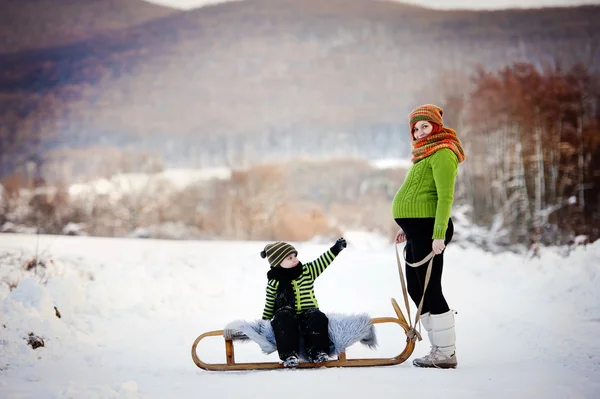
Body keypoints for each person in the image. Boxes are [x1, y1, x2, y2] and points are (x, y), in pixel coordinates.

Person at [392, 104, 466, 369]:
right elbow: (420, 196)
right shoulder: (424, 155)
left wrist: (438, 236)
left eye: (425, 126)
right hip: (418, 231)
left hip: (430, 231)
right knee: (416, 289)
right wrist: (407, 228)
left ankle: (446, 353)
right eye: (415, 128)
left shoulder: (444, 152)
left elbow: (445, 197)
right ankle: (438, 349)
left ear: (436, 126)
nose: (420, 132)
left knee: (431, 289)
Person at [260, 238, 347, 367]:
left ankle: (318, 352)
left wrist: (335, 249)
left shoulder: (307, 271)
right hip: (287, 313)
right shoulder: (274, 281)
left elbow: (322, 261)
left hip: (308, 312)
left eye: (295, 256)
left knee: (318, 317)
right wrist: (264, 323)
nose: (295, 259)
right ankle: (289, 355)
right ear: (278, 263)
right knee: (282, 318)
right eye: (289, 258)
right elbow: (269, 304)